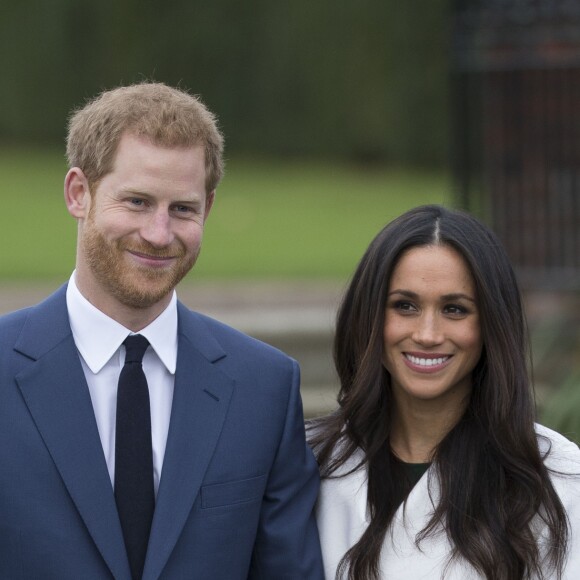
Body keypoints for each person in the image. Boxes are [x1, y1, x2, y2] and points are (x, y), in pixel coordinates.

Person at [0, 82, 324, 580]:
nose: (158, 233)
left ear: (208, 209)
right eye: (136, 201)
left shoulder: (265, 387)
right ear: (78, 193)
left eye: (182, 209)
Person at [309, 205, 580, 580]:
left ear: (491, 326)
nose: (428, 334)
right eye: (405, 306)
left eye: (455, 309)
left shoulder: (559, 480)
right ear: (368, 314)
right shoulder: (310, 465)